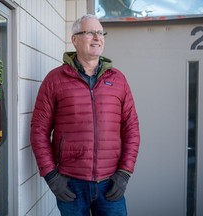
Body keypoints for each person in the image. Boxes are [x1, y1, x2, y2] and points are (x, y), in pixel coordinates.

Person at [30, 14, 140, 216]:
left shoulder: (118, 80)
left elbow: (131, 128)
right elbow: (39, 131)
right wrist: (51, 176)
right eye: (90, 32)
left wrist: (124, 173)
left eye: (100, 33)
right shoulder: (54, 80)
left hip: (110, 183)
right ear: (75, 39)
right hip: (71, 184)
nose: (97, 38)